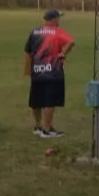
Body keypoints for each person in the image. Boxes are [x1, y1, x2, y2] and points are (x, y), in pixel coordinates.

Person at [24, 10, 75, 138]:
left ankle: (38, 126)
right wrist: (63, 52)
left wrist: (28, 70)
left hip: (37, 71)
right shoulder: (57, 31)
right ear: (54, 19)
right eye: (58, 18)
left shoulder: (35, 32)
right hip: (53, 71)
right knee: (50, 101)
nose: (59, 21)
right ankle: (47, 130)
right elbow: (71, 41)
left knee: (36, 100)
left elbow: (28, 51)